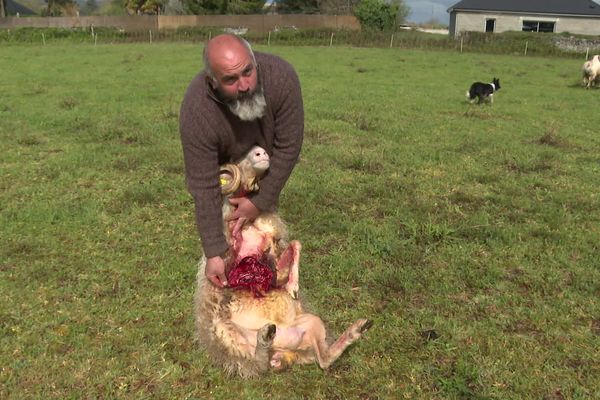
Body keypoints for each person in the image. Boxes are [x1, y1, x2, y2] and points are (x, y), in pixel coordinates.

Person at [179, 34, 304, 288]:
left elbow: (288, 145)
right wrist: (213, 250)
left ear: (254, 60)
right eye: (230, 80)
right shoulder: (196, 110)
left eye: (248, 71)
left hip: (265, 160)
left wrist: (260, 201)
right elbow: (203, 185)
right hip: (225, 172)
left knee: (265, 230)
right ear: (212, 82)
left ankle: (268, 276)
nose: (245, 85)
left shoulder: (281, 77)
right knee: (228, 234)